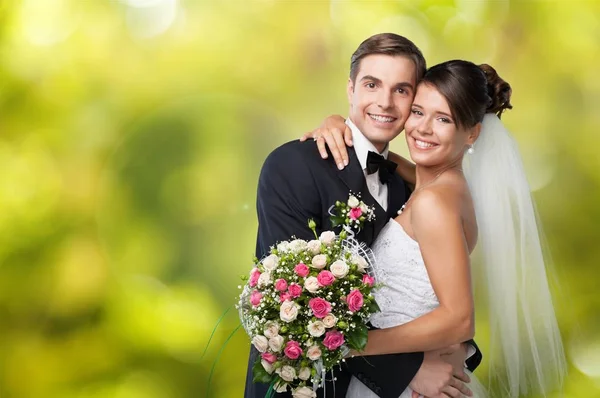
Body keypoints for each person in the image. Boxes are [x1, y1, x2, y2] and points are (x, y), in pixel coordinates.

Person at [302, 60, 566, 397]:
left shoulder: (433, 204)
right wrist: (338, 123)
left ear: (471, 133)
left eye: (443, 119)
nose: (422, 129)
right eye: (417, 112)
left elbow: (458, 320)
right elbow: (391, 161)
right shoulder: (447, 186)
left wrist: (350, 345)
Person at [244, 33, 481, 398]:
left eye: (402, 91)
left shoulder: (412, 188)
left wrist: (452, 351)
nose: (384, 102)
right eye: (372, 85)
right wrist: (408, 370)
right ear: (351, 89)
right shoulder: (294, 165)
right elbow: (290, 306)